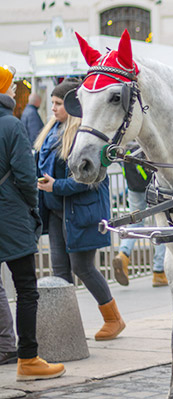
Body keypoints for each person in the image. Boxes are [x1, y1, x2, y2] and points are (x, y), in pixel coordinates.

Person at [34, 79, 125, 341]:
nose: (53, 108)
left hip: (80, 212)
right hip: (56, 212)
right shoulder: (51, 131)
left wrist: (56, 186)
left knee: (83, 268)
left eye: (59, 103)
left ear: (73, 106)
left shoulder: (84, 137)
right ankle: (65, 328)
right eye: (52, 103)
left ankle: (113, 319)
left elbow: (89, 179)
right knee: (60, 271)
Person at [0, 65, 66, 380]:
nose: (15, 90)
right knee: (26, 288)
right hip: (9, 214)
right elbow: (26, 176)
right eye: (11, 86)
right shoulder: (11, 125)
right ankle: (28, 358)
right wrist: (32, 208)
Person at [113, 142, 168, 287]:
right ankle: (159, 271)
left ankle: (123, 254)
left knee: (135, 222)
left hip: (133, 187)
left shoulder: (128, 141)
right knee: (160, 225)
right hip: (153, 186)